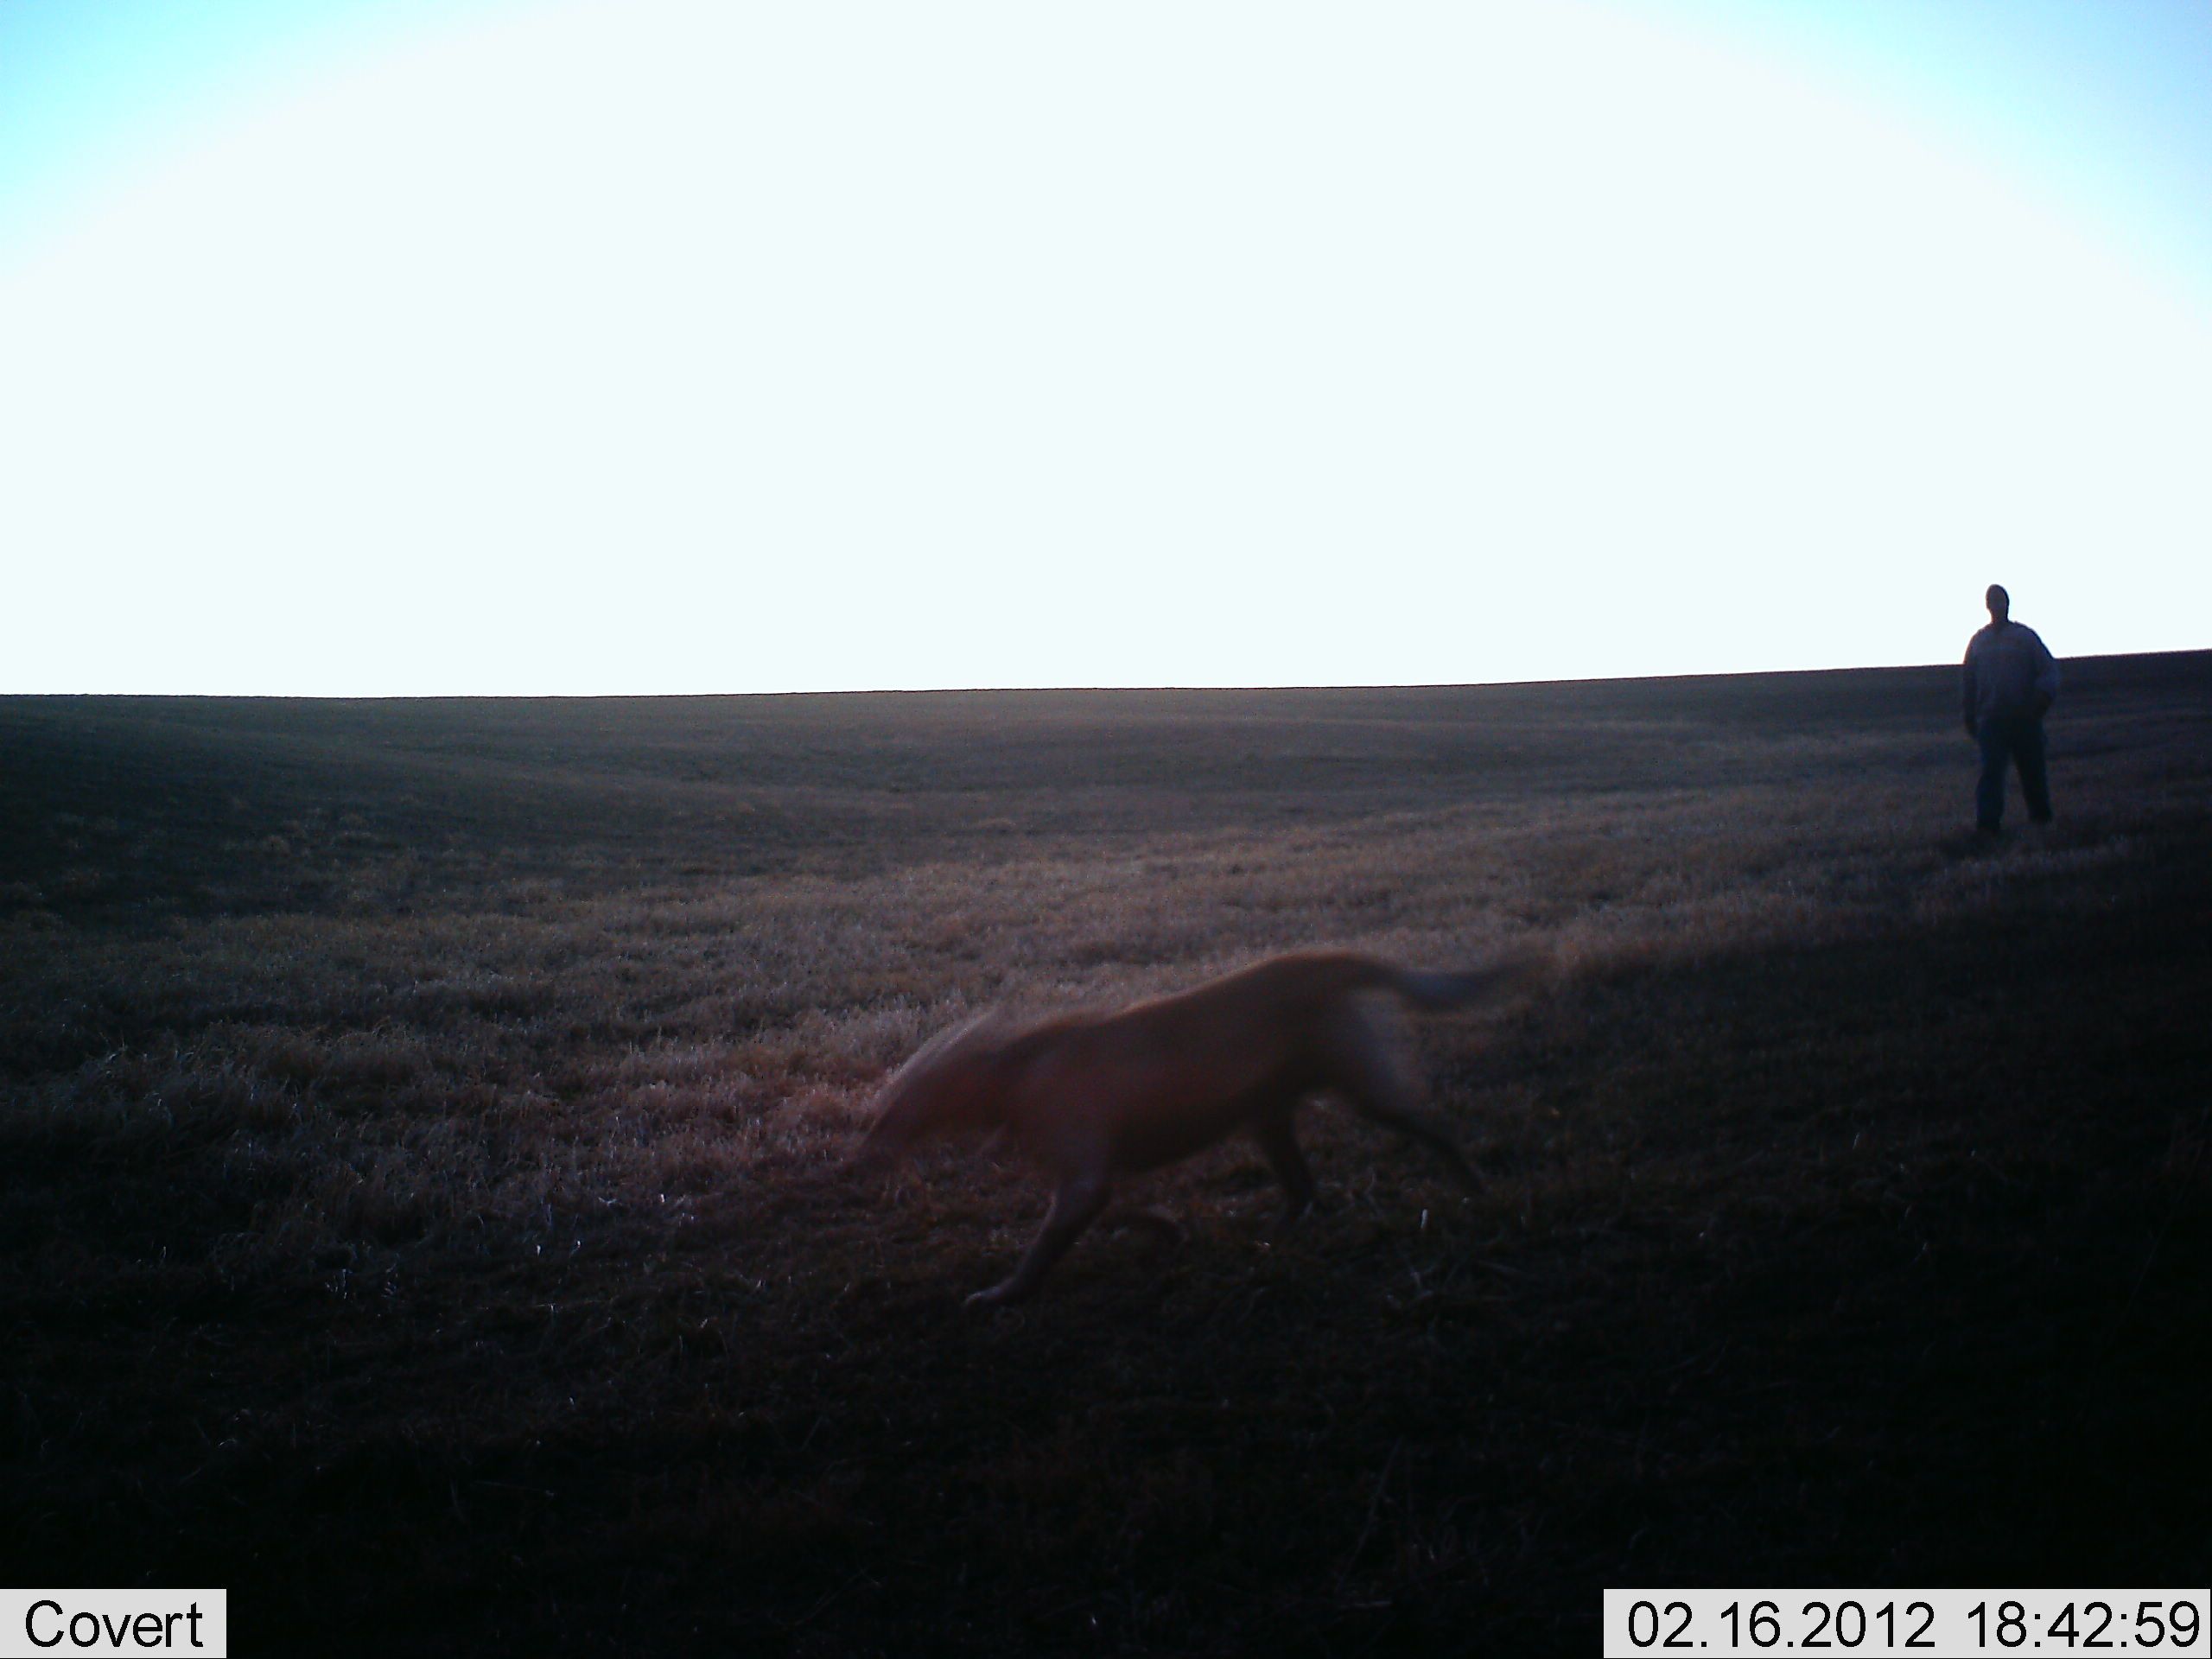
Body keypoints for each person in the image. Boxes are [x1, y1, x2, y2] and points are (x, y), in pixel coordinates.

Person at [1961, 583, 2059, 835]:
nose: (1996, 604)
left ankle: (2042, 822)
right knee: (1991, 775)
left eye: (2000, 599)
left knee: (2033, 775)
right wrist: (1969, 713)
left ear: (2008, 603)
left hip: (2024, 719)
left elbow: (2049, 672)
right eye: (1992, 600)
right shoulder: (1978, 642)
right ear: (1987, 605)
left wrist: (2038, 704)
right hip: (1991, 720)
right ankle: (1988, 827)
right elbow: (1968, 680)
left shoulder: (2025, 638)